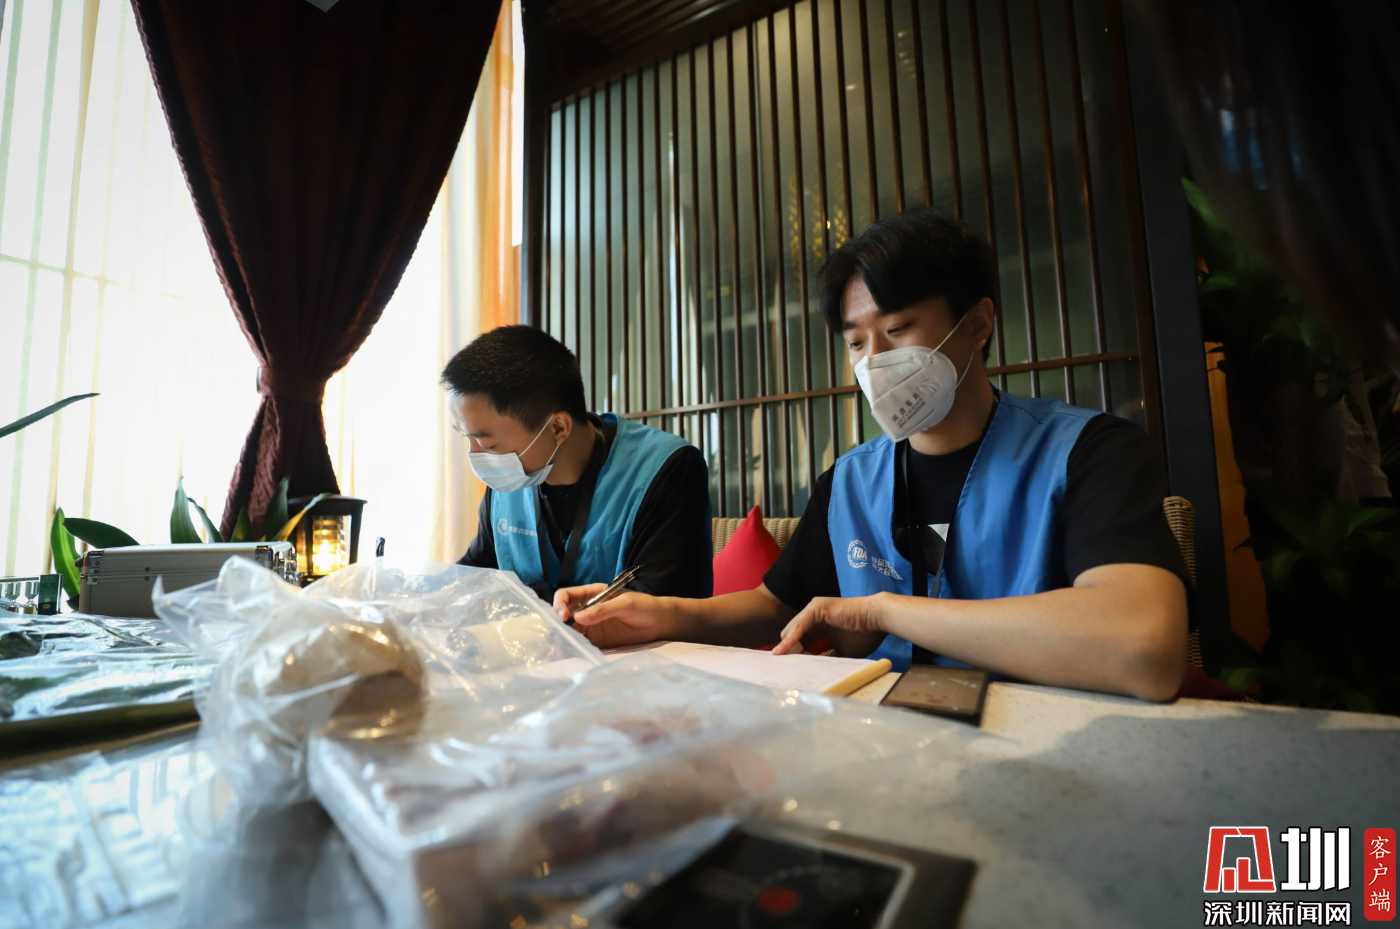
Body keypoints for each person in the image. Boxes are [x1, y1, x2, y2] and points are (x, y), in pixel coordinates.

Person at [554, 210, 1190, 702]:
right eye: (856, 342)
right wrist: (658, 615)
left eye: (899, 328)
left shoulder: (1088, 452)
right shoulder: (851, 481)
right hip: (888, 736)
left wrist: (885, 610)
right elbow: (776, 606)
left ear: (977, 323)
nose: (875, 361)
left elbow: (1143, 646)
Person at [444, 325, 712, 603]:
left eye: (488, 445)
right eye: (466, 437)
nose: (475, 455)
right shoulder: (508, 478)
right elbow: (475, 578)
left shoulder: (667, 469)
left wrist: (525, 599)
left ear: (558, 428)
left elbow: (660, 606)